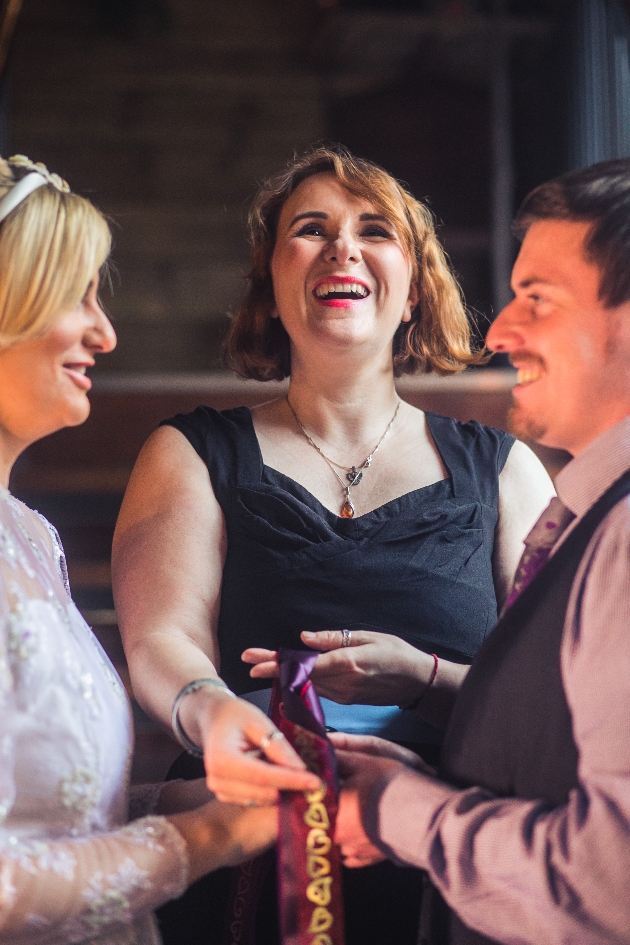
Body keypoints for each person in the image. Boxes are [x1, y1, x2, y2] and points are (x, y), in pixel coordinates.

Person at [111, 145, 553, 945]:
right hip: (250, 825)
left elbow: (544, 699)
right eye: (310, 230)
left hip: (449, 848)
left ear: (414, 287)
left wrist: (420, 677)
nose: (343, 246)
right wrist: (211, 716)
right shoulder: (188, 451)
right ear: (270, 290)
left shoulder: (506, 471)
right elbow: (160, 638)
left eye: (374, 230)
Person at [333, 156, 630, 945]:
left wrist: (402, 811)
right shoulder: (595, 511)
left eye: (538, 298)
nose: (499, 331)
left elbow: (610, 883)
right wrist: (425, 754)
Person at [0, 154, 278, 945]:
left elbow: (56, 814)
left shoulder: (27, 533)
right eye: (76, 295)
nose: (105, 330)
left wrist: (208, 807)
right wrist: (202, 843)